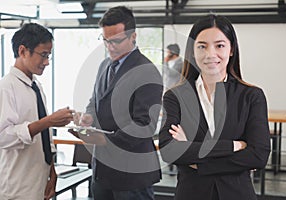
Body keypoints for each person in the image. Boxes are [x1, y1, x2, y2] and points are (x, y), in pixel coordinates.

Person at [159, 14, 270, 200]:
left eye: (219, 45)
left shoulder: (251, 96)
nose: (210, 54)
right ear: (193, 51)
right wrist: (236, 145)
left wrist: (194, 155)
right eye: (202, 46)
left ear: (231, 49)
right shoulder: (175, 97)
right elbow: (169, 151)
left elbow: (258, 155)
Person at [70, 6, 162, 200]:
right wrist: (88, 117)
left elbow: (145, 124)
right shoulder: (105, 65)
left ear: (133, 36)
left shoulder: (147, 71)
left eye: (116, 41)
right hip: (103, 170)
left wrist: (106, 140)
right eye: (105, 40)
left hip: (132, 173)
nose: (110, 47)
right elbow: (95, 101)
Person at [0, 23, 74, 200]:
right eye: (43, 55)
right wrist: (48, 121)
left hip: (39, 179)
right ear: (23, 51)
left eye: (49, 56)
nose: (47, 62)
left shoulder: (35, 86)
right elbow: (2, 136)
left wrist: (52, 171)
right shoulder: (6, 88)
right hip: (16, 186)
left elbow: (44, 137)